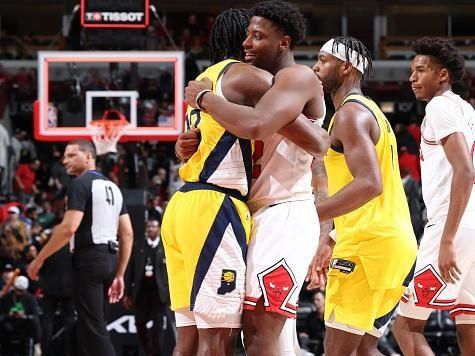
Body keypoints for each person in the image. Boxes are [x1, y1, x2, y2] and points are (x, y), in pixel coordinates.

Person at [165, 5, 327, 356]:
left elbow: (317, 143)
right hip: (246, 210)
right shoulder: (247, 83)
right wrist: (186, 145)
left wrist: (204, 100)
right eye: (246, 36)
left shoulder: (289, 79)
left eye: (256, 37)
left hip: (283, 210)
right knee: (249, 332)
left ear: (281, 42)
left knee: (256, 330)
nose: (247, 43)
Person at [306, 36, 418, 356]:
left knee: (337, 351)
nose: (316, 66)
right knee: (363, 350)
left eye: (323, 60)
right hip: (390, 244)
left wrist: (312, 213)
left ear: (346, 68)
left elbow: (370, 184)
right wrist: (331, 238)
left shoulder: (350, 115)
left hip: (367, 248)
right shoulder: (370, 113)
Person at [393, 37, 475, 356]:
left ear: (442, 75)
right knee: (468, 324)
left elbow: (465, 171)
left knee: (406, 326)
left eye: (420, 70)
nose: (412, 78)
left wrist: (447, 239)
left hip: (450, 225)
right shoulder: (466, 109)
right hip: (472, 226)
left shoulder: (439, 107)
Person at [27, 139, 134, 356]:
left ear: (88, 156)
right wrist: (120, 273)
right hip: (110, 260)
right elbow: (128, 234)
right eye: (64, 156)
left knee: (93, 330)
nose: (64, 160)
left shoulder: (80, 183)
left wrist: (39, 259)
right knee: (93, 327)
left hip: (89, 259)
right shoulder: (113, 186)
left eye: (71, 155)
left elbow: (68, 228)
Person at [123, 218, 175, 356]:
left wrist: (171, 294)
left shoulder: (164, 248)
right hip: (141, 293)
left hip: (159, 294)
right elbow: (130, 271)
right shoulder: (138, 246)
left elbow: (171, 272)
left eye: (153, 226)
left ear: (158, 229)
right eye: (149, 227)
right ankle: (149, 350)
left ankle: (157, 353)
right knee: (139, 324)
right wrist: (127, 293)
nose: (151, 229)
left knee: (158, 328)